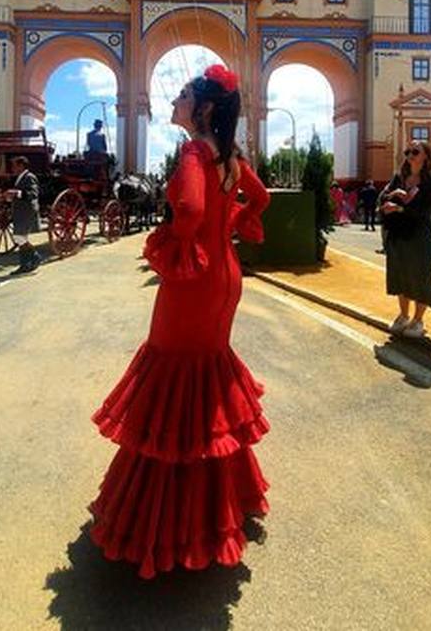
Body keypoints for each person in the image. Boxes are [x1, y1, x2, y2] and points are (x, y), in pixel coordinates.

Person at [89, 63, 271, 579]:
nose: (174, 101)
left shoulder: (195, 151)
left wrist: (176, 243)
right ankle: (224, 502)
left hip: (194, 285)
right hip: (224, 279)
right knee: (208, 380)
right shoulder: (230, 155)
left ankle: (165, 526)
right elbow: (256, 198)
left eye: (183, 95)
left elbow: (188, 211)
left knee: (172, 380)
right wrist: (227, 226)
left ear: (203, 107)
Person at [380, 141, 431, 339]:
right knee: (400, 274)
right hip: (398, 233)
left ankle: (418, 320)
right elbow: (381, 198)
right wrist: (392, 195)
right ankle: (403, 315)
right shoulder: (399, 177)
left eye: (415, 151)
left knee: (421, 276)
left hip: (419, 234)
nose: (410, 155)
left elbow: (425, 209)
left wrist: (400, 208)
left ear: (426, 156)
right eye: (407, 151)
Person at [5, 156, 41, 274]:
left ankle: (33, 257)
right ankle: (25, 263)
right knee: (20, 238)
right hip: (20, 211)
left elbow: (33, 194)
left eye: (15, 165)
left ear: (21, 166)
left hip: (27, 211)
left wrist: (17, 193)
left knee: (19, 237)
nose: (13, 168)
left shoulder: (30, 177)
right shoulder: (20, 178)